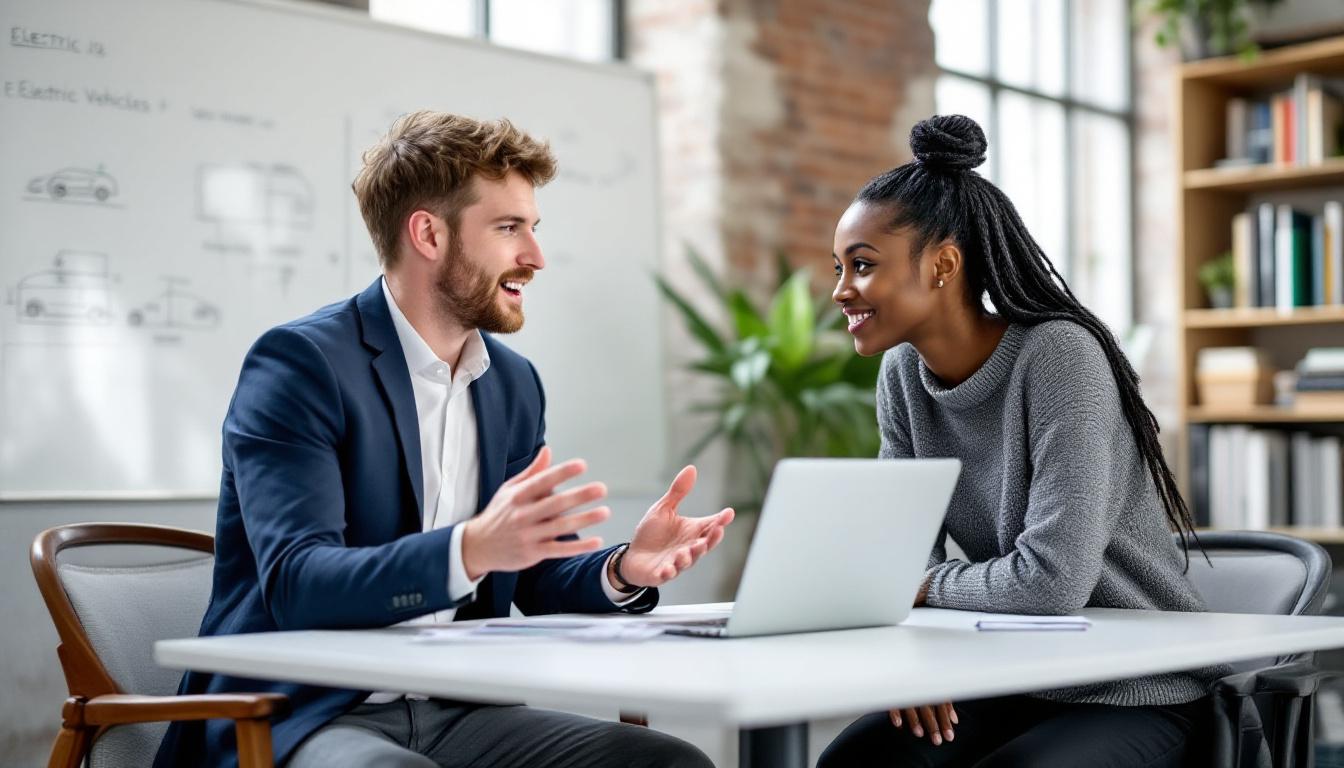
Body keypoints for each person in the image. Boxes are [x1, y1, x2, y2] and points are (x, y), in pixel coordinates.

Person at [154, 111, 732, 768]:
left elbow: (530, 576)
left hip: (458, 708)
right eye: (509, 229)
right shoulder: (301, 366)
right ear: (428, 233)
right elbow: (298, 582)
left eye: (533, 229)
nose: (536, 258)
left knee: (666, 763)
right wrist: (470, 547)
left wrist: (623, 570)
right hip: (302, 712)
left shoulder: (512, 384)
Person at [817, 114, 1217, 767]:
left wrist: (922, 586)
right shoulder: (902, 377)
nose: (840, 290)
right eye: (839, 267)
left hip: (1135, 685)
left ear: (943, 264)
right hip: (1009, 674)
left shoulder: (1060, 356)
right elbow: (892, 566)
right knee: (860, 761)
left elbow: (1050, 584)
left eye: (861, 266)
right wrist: (913, 657)